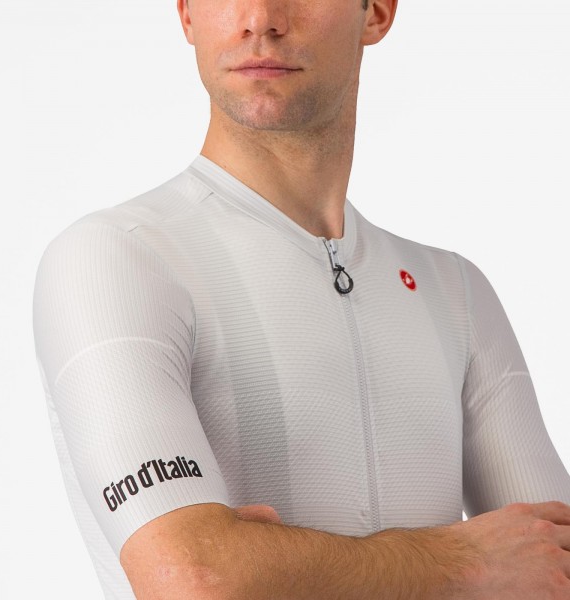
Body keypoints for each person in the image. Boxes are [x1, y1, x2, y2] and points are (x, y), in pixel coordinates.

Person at [33, 0, 570, 598]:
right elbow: (192, 577)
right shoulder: (116, 258)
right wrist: (467, 561)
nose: (260, 17)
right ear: (186, 14)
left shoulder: (455, 292)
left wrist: (270, 564)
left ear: (377, 12)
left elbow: (555, 563)